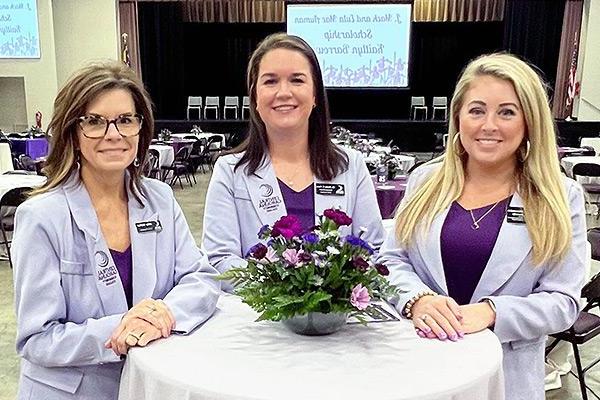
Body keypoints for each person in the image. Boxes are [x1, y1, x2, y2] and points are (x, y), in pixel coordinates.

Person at [377, 53, 586, 400]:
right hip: (418, 367)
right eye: (476, 110)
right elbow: (390, 262)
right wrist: (417, 299)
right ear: (458, 116)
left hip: (505, 377)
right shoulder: (424, 180)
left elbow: (563, 302)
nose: (488, 125)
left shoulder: (561, 197)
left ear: (529, 121)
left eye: (506, 111)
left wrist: (491, 313)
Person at [12, 61, 220, 400]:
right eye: (94, 122)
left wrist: (164, 314)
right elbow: (37, 339)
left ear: (141, 129)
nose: (113, 134)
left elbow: (200, 279)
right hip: (72, 392)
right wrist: (121, 329)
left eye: (126, 120)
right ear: (72, 133)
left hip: (148, 385)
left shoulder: (159, 199)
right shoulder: (41, 216)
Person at [203, 33, 385, 289]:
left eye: (297, 80)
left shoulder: (350, 166)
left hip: (338, 323)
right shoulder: (230, 172)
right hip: (259, 319)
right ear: (255, 97)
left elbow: (374, 251)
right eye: (270, 81)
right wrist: (288, 290)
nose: (283, 92)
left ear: (315, 97)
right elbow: (219, 260)